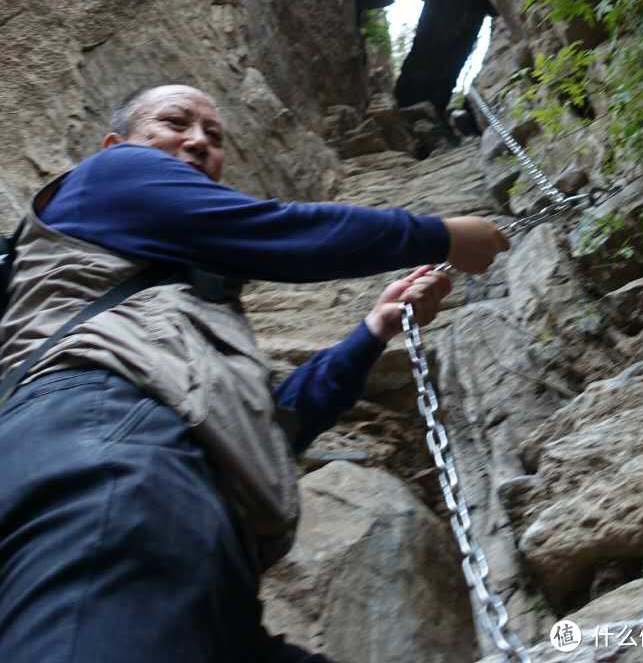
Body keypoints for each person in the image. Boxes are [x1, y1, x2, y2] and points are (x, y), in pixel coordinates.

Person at [0, 83, 508, 663]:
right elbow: (278, 231)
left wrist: (372, 332)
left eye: (214, 138)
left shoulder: (177, 318)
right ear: (117, 143)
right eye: (174, 122)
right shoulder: (110, 174)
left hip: (204, 537)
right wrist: (440, 236)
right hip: (106, 459)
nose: (198, 142)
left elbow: (271, 425)